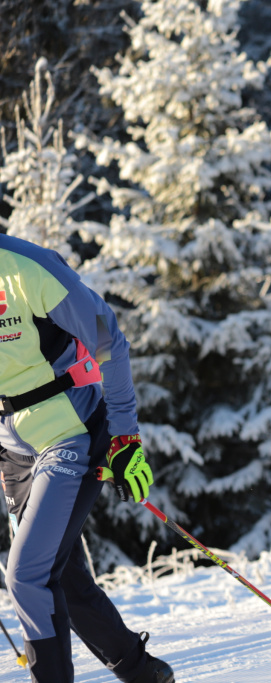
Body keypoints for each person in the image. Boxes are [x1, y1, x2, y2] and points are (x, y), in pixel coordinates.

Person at [0, 232, 173, 682]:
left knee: (27, 576)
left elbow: (107, 339)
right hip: (14, 450)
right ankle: (144, 674)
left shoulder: (29, 267)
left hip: (71, 434)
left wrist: (125, 437)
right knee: (64, 580)